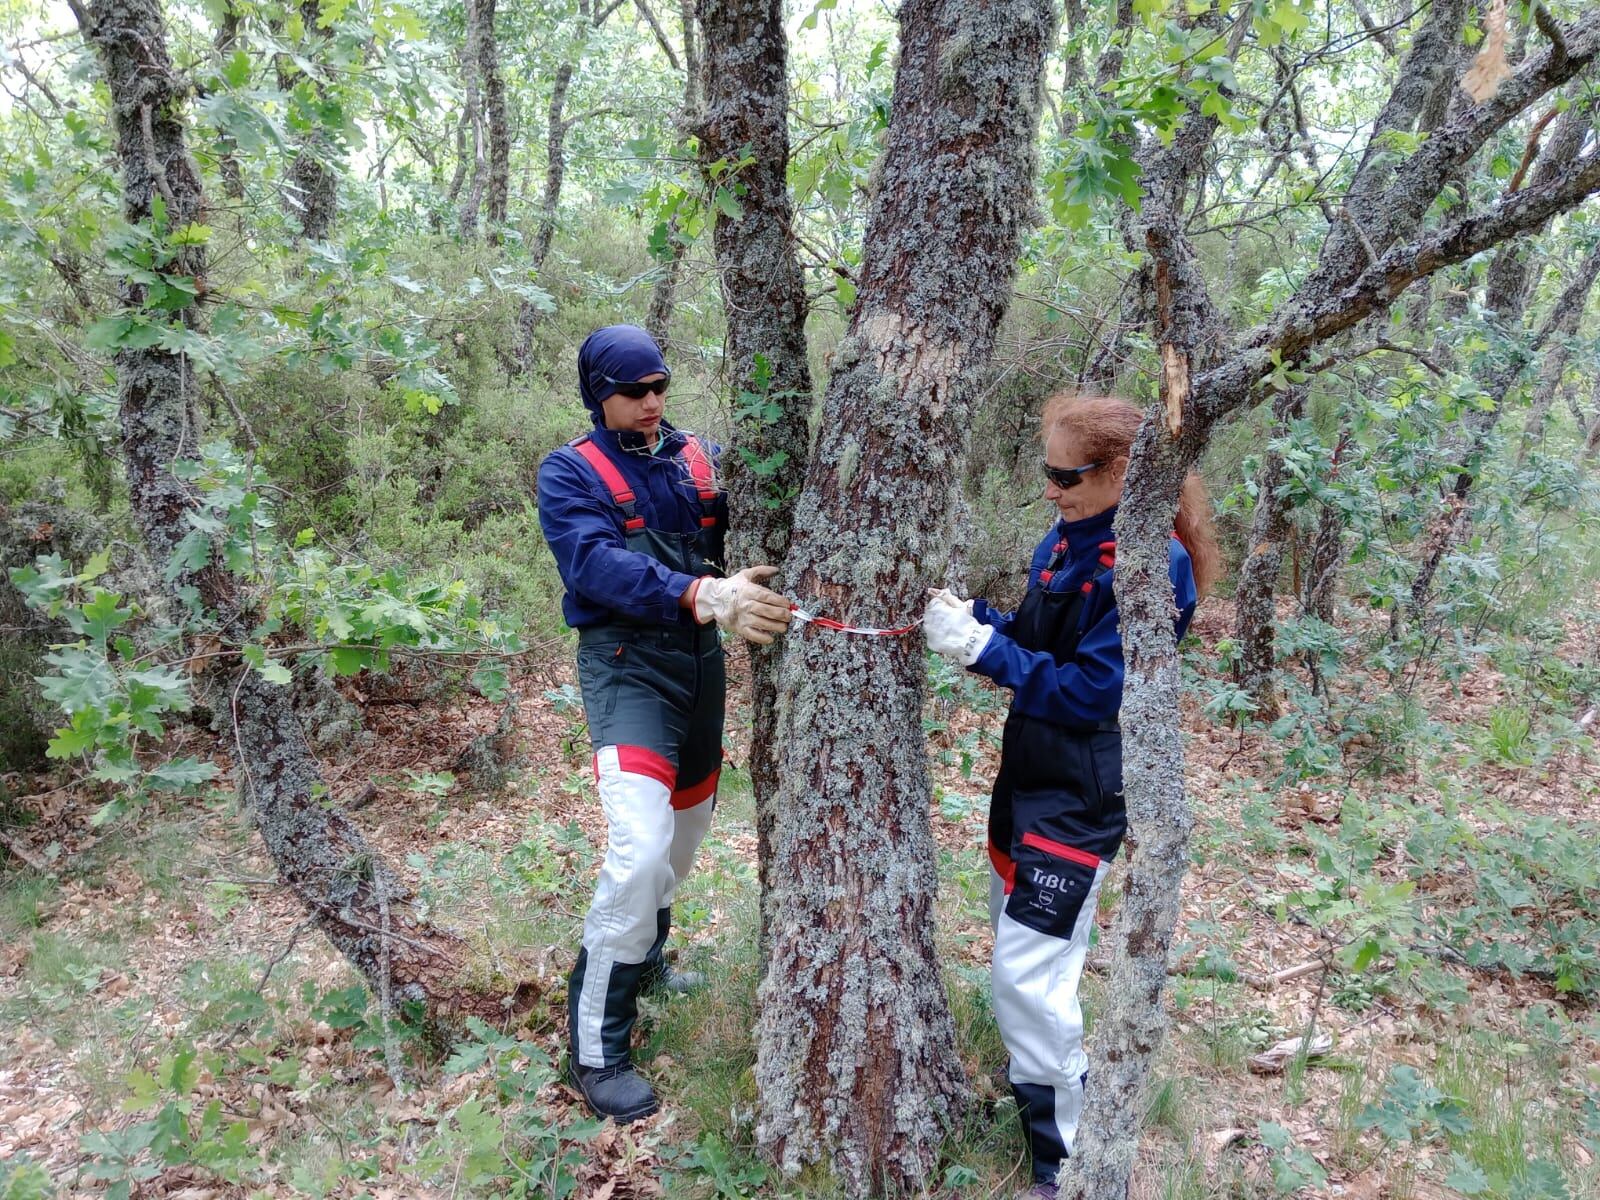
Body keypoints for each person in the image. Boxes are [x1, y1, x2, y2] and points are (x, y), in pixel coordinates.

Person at [922, 393, 1220, 1198]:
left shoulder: (1156, 565)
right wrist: (977, 622)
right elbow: (1037, 639)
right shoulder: (1063, 539)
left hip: (1081, 796)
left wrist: (986, 654)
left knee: (1029, 976)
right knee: (1017, 952)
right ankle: (1040, 1102)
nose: (1051, 488)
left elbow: (1095, 690)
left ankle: (1071, 1161)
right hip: (1023, 778)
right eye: (1046, 473)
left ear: (1122, 470)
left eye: (1066, 475)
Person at [537, 324, 794, 1122]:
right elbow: (592, 564)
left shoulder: (698, 458)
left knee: (682, 838)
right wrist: (701, 593)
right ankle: (596, 1049)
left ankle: (643, 958)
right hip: (625, 665)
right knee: (639, 849)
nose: (652, 403)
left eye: (660, 387)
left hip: (700, 667)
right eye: (633, 392)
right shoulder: (568, 472)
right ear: (597, 395)